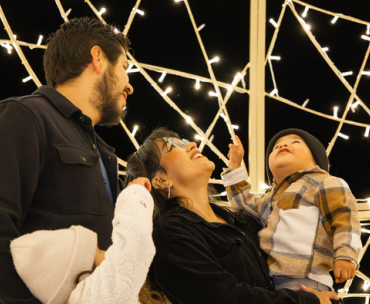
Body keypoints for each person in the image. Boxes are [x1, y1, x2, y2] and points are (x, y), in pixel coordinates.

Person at [0, 17, 134, 303]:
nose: (129, 85)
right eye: (124, 67)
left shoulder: (104, 152)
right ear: (98, 58)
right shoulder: (26, 116)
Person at [125, 127, 341, 304]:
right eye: (173, 146)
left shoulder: (244, 222)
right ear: (161, 180)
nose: (191, 144)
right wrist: (307, 301)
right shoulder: (170, 234)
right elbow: (225, 298)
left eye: (183, 140)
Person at [222, 129, 362, 293]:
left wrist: (346, 254)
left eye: (295, 142)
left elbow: (344, 219)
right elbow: (244, 211)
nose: (283, 144)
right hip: (267, 282)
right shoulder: (270, 197)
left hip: (305, 281)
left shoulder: (325, 182)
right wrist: (234, 167)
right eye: (276, 147)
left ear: (316, 158)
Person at [10, 178, 155, 304]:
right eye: (97, 250)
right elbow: (134, 246)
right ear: (81, 273)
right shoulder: (99, 298)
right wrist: (135, 193)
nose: (105, 251)